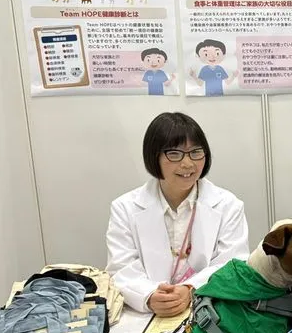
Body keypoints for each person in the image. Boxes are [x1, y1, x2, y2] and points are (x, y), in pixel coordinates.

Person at [106, 112, 249, 316]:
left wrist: (191, 289)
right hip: (147, 315)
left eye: (195, 152)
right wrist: (149, 295)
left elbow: (232, 263)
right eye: (174, 154)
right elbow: (121, 268)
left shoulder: (228, 205)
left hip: (209, 308)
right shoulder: (125, 208)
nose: (188, 164)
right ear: (153, 156)